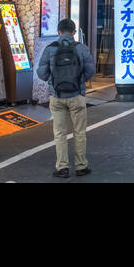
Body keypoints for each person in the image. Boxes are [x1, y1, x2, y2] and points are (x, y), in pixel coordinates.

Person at [36, 17, 96, 177]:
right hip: (77, 95)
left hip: (57, 96)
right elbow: (91, 71)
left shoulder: (50, 49)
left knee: (60, 132)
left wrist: (53, 78)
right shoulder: (81, 48)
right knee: (80, 132)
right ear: (74, 32)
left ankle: (62, 167)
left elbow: (41, 74)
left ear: (58, 32)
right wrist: (80, 80)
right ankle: (81, 166)